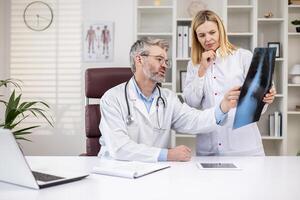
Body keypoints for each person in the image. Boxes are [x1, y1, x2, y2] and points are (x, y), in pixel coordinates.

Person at [98, 37, 241, 163]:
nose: (165, 65)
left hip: (154, 172)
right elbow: (119, 148)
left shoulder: (168, 98)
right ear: (139, 59)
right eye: (159, 59)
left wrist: (223, 107)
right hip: (116, 172)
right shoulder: (112, 99)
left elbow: (194, 120)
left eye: (166, 61)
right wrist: (167, 154)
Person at [183, 10, 276, 156]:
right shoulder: (194, 65)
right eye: (202, 35)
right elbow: (192, 103)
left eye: (212, 32)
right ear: (196, 38)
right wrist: (201, 69)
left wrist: (266, 99)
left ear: (220, 31)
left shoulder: (243, 57)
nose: (207, 39)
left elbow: (259, 105)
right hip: (209, 147)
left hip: (243, 146)